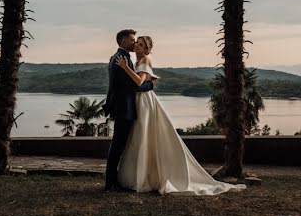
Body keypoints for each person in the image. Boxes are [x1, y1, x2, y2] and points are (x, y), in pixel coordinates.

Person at [115, 35, 246, 196]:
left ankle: (147, 177)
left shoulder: (144, 60)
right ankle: (141, 175)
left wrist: (124, 67)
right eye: (137, 43)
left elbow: (139, 82)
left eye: (141, 45)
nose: (137, 46)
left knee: (144, 132)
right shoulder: (137, 61)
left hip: (144, 102)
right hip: (139, 99)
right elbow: (146, 81)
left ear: (147, 49)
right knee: (140, 135)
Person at [103, 28, 155, 192]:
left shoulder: (119, 57)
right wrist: (150, 84)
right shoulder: (121, 58)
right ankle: (111, 183)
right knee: (117, 146)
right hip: (123, 108)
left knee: (118, 145)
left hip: (122, 106)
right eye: (133, 40)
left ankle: (112, 181)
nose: (134, 43)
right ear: (124, 41)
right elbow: (134, 85)